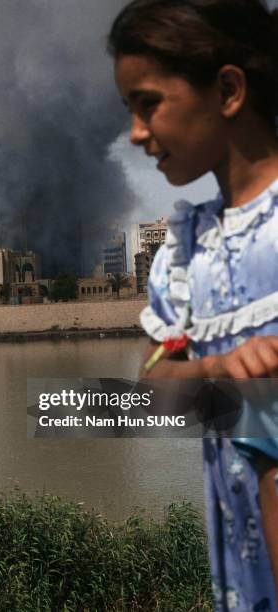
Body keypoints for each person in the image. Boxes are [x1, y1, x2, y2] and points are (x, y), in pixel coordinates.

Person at [108, 1, 278, 610]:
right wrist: (219, 368)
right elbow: (153, 392)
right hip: (241, 578)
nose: (135, 133)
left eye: (148, 103)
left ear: (228, 89)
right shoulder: (181, 253)